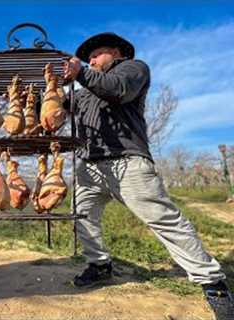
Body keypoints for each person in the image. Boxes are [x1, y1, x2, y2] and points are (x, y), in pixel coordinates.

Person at [63, 32, 233, 319]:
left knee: (164, 219)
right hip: (89, 165)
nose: (90, 60)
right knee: (81, 216)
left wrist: (80, 73)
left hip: (128, 160)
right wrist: (53, 90)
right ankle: (100, 265)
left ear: (117, 53)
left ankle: (213, 283)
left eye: (96, 54)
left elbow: (118, 90)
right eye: (87, 58)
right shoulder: (83, 93)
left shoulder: (133, 69)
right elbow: (57, 112)